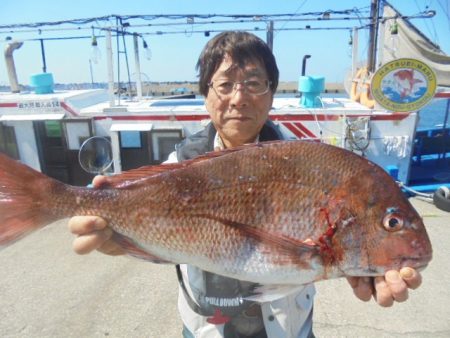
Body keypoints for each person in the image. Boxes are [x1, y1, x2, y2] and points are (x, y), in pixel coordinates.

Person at [68, 31, 423, 338]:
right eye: (224, 85)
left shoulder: (312, 162)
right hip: (205, 329)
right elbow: (162, 244)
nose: (239, 98)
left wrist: (364, 267)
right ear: (206, 95)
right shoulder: (178, 167)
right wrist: (119, 240)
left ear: (271, 94)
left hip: (288, 329)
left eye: (254, 83)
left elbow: (329, 248)